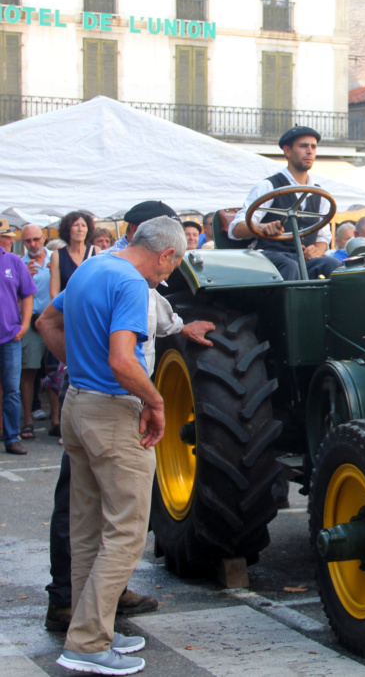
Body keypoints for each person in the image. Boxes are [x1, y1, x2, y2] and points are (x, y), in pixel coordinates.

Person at [43, 201, 210, 637]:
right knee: (125, 534)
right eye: (169, 269)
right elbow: (122, 361)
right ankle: (90, 642)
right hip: (114, 413)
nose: (166, 279)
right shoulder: (134, 285)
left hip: (77, 404)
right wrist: (155, 402)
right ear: (166, 255)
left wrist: (81, 366)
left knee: (85, 529)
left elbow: (47, 321)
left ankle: (85, 632)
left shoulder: (90, 269)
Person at [229, 126, 342, 281]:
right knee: (290, 266)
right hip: (268, 259)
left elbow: (323, 237)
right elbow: (236, 228)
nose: (310, 151)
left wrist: (317, 251)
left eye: (313, 147)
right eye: (303, 146)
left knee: (333, 265)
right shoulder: (268, 186)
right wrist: (262, 227)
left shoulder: (319, 194)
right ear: (287, 151)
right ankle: (292, 305)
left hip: (301, 261)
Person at [20, 224, 59, 440]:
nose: (33, 245)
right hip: (31, 322)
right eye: (28, 241)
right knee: (29, 370)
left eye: (36, 239)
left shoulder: (55, 258)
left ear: (44, 237)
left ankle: (55, 420)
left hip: (53, 320)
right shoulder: (19, 263)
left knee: (55, 370)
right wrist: (23, 275)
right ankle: (27, 420)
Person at [0, 219, 36, 455]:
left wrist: (23, 325)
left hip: (10, 336)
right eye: (7, 236)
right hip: (11, 336)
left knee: (12, 389)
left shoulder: (13, 261)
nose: (11, 240)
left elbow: (28, 293)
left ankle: (12, 437)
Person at [49, 212, 96, 300]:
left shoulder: (96, 251)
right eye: (76, 225)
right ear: (68, 229)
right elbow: (54, 293)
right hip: (68, 308)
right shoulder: (57, 256)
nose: (80, 229)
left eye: (83, 225)